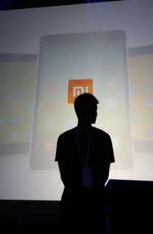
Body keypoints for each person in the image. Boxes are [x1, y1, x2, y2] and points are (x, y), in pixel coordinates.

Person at [55, 93, 115, 234]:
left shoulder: (104, 138)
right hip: (75, 205)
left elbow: (104, 175)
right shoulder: (65, 139)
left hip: (91, 203)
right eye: (93, 110)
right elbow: (65, 177)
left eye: (96, 110)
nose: (95, 114)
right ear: (80, 111)